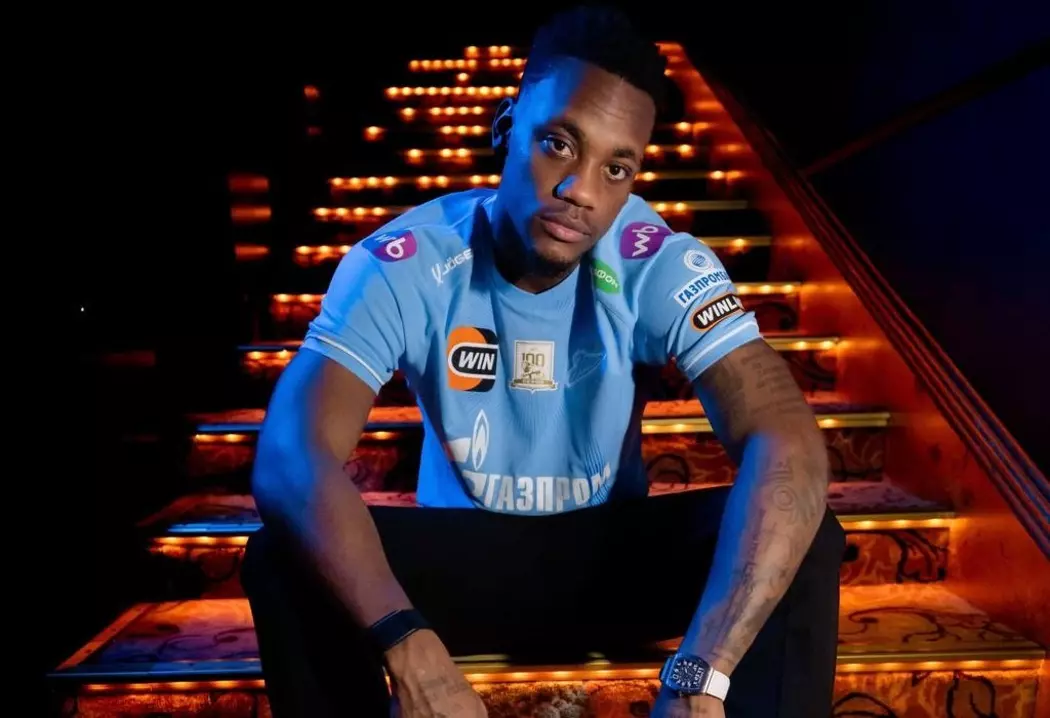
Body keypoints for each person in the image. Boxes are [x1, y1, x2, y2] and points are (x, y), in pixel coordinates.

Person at [242, 5, 845, 717]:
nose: (581, 190)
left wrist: (703, 671)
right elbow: (290, 454)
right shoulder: (406, 260)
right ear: (506, 128)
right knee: (282, 558)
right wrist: (405, 642)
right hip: (464, 562)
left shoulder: (657, 260)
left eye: (616, 168)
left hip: (611, 560)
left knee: (803, 529)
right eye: (559, 144)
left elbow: (785, 437)